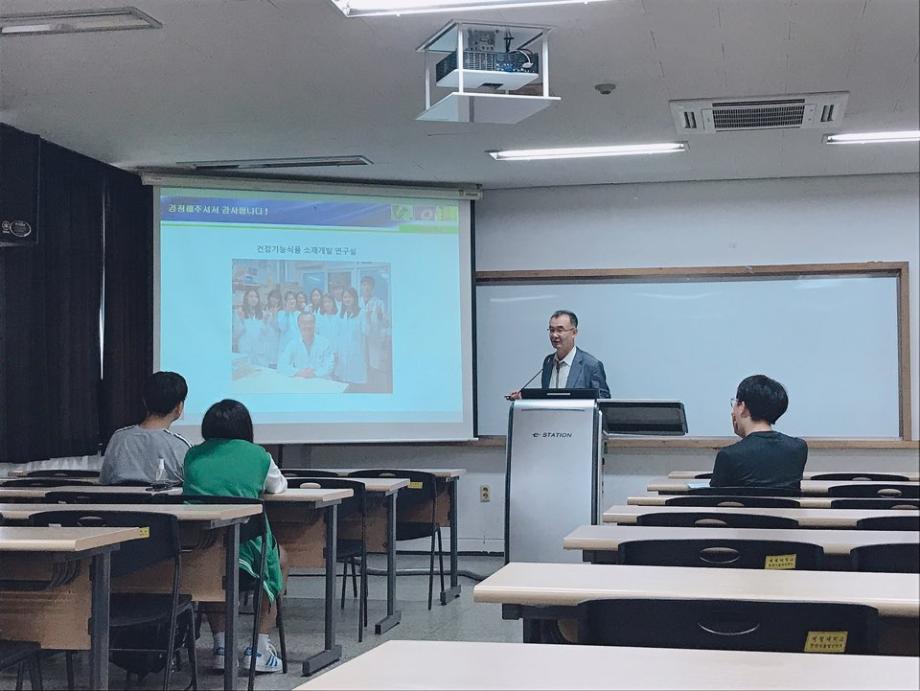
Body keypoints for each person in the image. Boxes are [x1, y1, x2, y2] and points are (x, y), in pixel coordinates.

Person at [183, 399, 288, 673]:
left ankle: (221, 647)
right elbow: (278, 487)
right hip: (247, 551)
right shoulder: (258, 455)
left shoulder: (193, 455)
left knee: (209, 568)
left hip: (202, 548)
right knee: (281, 558)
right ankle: (259, 649)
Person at [710, 374, 808, 491]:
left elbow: (716, 496)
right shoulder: (798, 448)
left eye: (735, 403)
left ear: (742, 407)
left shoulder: (728, 455)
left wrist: (746, 441)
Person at [100, 371, 190, 485]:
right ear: (179, 407)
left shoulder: (119, 438)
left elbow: (105, 481)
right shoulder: (181, 445)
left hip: (121, 497)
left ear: (144, 401)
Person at [507, 310, 610, 399]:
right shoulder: (548, 362)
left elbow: (603, 401)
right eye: (552, 330)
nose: (554, 335)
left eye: (560, 330)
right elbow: (546, 398)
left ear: (574, 333)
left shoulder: (591, 365)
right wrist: (524, 398)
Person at [278, 312, 335, 379]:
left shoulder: (325, 343)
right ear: (299, 325)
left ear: (315, 324)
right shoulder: (293, 343)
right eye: (304, 323)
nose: (307, 326)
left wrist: (314, 374)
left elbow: (329, 366)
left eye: (310, 322)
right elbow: (281, 365)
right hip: (301, 381)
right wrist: (299, 372)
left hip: (320, 381)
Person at [359, 275, 391, 391]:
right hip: (361, 338)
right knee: (362, 364)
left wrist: (380, 315)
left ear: (373, 287)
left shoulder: (379, 303)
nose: (366, 287)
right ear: (361, 287)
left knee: (374, 366)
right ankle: (362, 388)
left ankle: (373, 389)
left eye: (369, 285)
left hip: (374, 339)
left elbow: (386, 324)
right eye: (364, 285)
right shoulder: (357, 302)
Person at [334, 286, 369, 386]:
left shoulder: (361, 313)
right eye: (345, 297)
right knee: (343, 381)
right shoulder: (340, 314)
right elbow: (337, 334)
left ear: (354, 298)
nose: (347, 299)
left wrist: (368, 318)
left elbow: (366, 331)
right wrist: (336, 351)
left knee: (355, 381)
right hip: (342, 350)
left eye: (350, 297)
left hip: (356, 351)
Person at [233, 288, 270, 366]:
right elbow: (236, 334)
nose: (254, 299)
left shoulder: (263, 314)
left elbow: (266, 334)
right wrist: (242, 320)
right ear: (246, 298)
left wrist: (265, 321)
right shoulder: (239, 312)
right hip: (245, 350)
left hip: (259, 352)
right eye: (251, 296)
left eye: (256, 297)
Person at [275, 290, 301, 362]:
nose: (291, 301)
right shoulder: (281, 313)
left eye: (293, 299)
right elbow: (282, 328)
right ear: (285, 302)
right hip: (285, 346)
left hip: (297, 346)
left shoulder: (299, 314)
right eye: (289, 299)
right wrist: (287, 312)